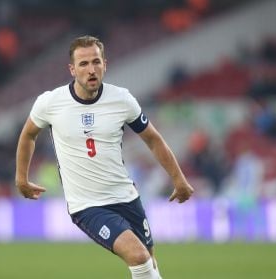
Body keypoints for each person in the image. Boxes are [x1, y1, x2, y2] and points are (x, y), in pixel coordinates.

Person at [15, 35, 194, 279]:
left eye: (96, 62)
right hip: (88, 205)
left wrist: (179, 179)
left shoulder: (122, 99)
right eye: (84, 64)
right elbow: (28, 136)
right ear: (72, 69)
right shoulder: (50, 103)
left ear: (105, 65)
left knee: (150, 262)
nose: (91, 69)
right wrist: (21, 178)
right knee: (137, 256)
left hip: (126, 197)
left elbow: (153, 139)